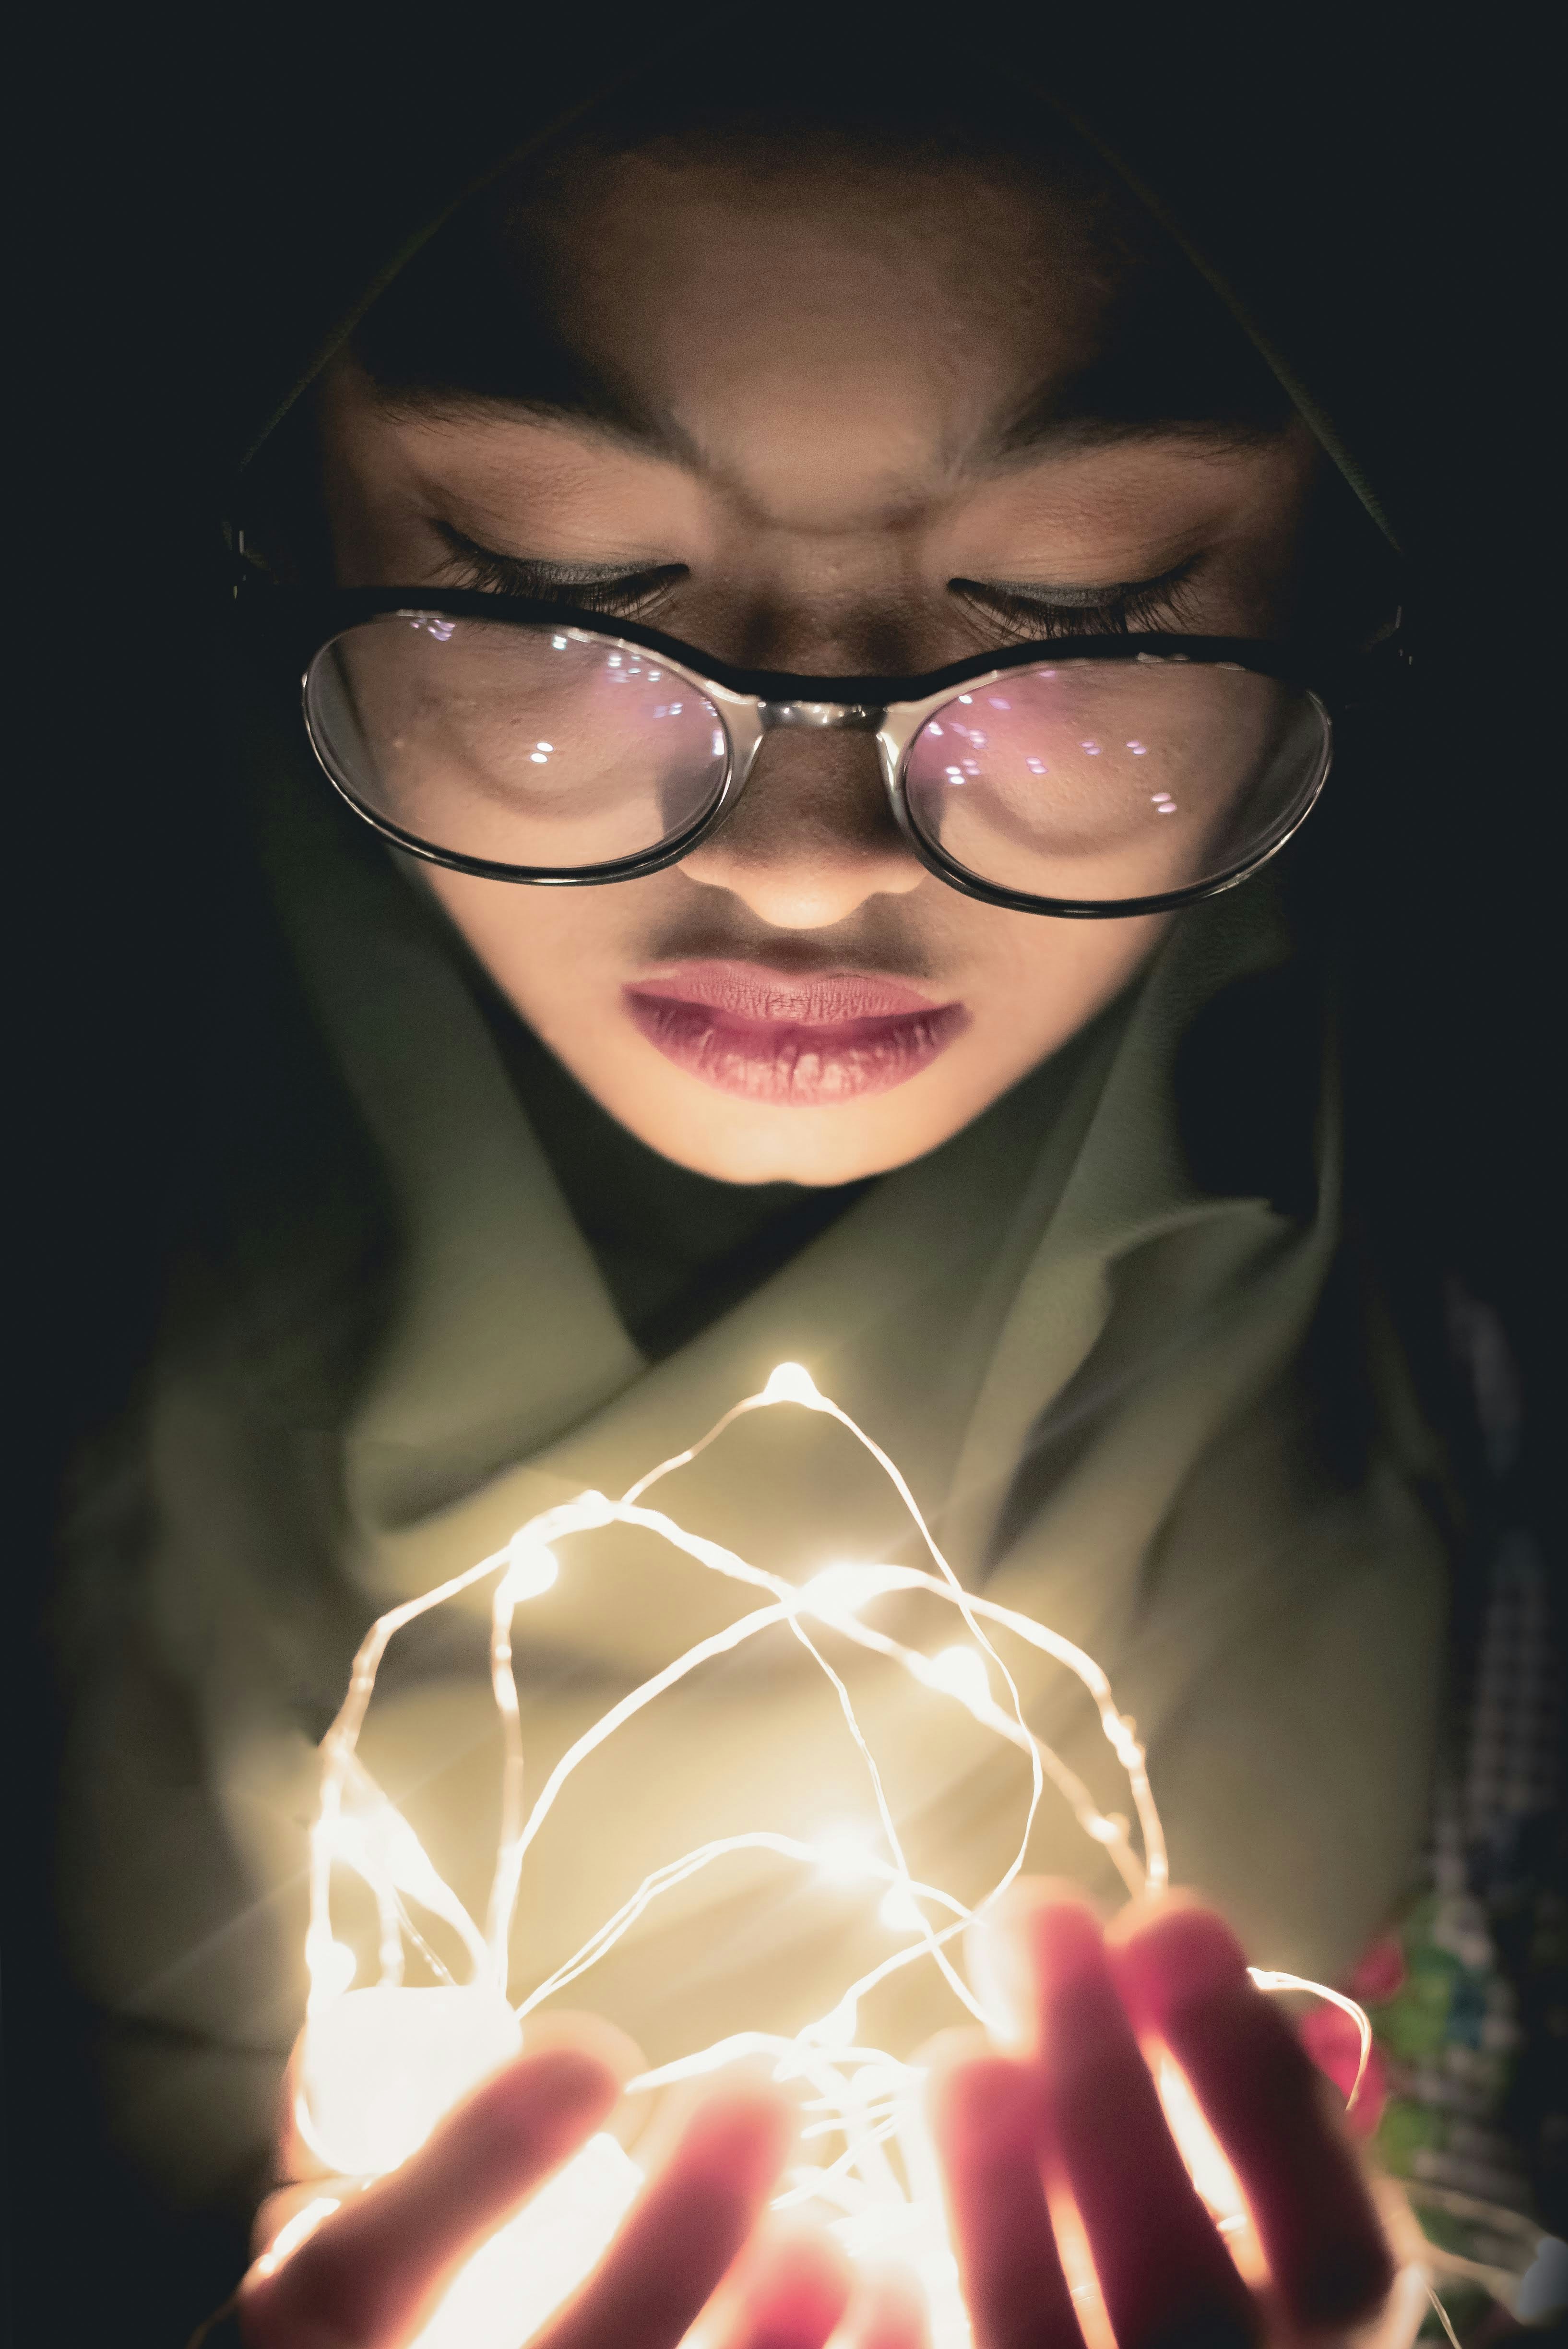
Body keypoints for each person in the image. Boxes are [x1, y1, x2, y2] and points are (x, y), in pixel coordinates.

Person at [37, 26, 1473, 2348]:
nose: (804, 867)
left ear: (1339, 581)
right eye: (548, 592)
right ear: (287, 528)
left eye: (1084, 620)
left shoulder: (1489, 1421)